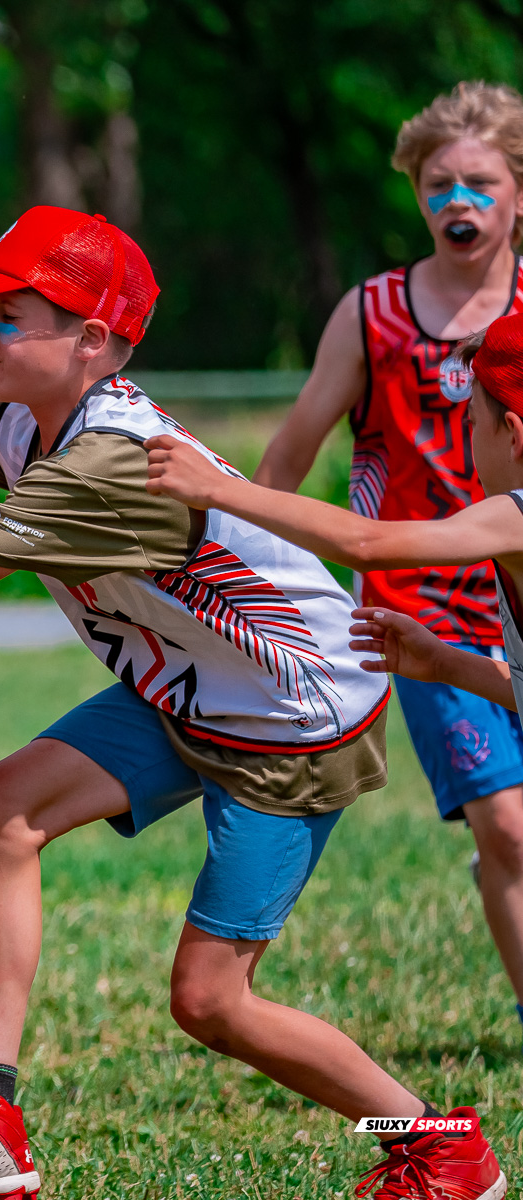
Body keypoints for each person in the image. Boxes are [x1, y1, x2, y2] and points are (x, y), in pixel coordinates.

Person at [0, 205, 500, 1200]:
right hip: (187, 688)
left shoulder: (104, 461)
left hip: (292, 722)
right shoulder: (17, 415)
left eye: (8, 318)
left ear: (92, 343)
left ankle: (438, 1140)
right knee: (1, 807)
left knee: (211, 1002)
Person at [142, 313, 523, 1200]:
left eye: (468, 422)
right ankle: (429, 1139)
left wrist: (217, 487)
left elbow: (369, 543)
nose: (461, 442)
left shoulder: (512, 513)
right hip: (270, 741)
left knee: (207, 997)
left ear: (512, 431)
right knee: (207, 999)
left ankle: (435, 1143)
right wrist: (447, 662)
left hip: (290, 755)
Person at [254, 81, 523, 1027]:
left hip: (517, 596)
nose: (462, 202)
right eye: (441, 183)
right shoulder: (372, 313)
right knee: (511, 827)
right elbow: (286, 464)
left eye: (483, 184)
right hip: (428, 607)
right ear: (415, 191)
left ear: (519, 193)